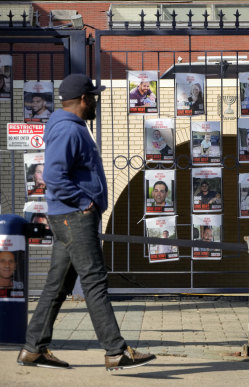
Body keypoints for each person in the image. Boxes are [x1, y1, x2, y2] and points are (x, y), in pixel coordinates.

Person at [17, 73, 155, 370]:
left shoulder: (70, 127)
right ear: (83, 100)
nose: (96, 102)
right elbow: (53, 177)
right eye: (93, 97)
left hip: (67, 216)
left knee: (57, 285)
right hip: (74, 216)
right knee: (94, 281)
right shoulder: (69, 130)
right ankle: (116, 351)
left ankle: (33, 348)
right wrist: (85, 203)